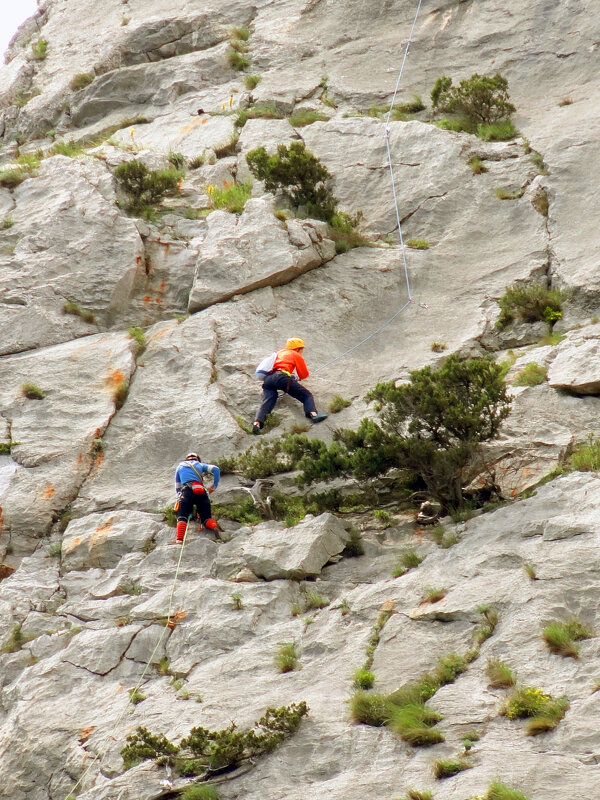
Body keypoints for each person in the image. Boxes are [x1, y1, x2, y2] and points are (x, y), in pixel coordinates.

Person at [252, 338, 327, 434]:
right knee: (306, 395)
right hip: (281, 377)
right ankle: (313, 414)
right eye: (301, 350)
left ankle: (257, 423)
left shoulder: (279, 353)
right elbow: (303, 374)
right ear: (297, 349)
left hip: (268, 380)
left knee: (267, 402)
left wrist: (290, 376)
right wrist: (293, 378)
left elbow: (278, 367)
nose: (301, 352)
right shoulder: (295, 354)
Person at [172, 452, 220, 543]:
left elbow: (177, 486)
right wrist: (214, 486)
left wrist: (180, 495)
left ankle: (179, 540)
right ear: (197, 459)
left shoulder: (180, 466)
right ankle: (214, 526)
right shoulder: (200, 465)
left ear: (187, 459)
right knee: (206, 517)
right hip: (201, 490)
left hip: (187, 490)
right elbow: (216, 469)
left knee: (182, 516)